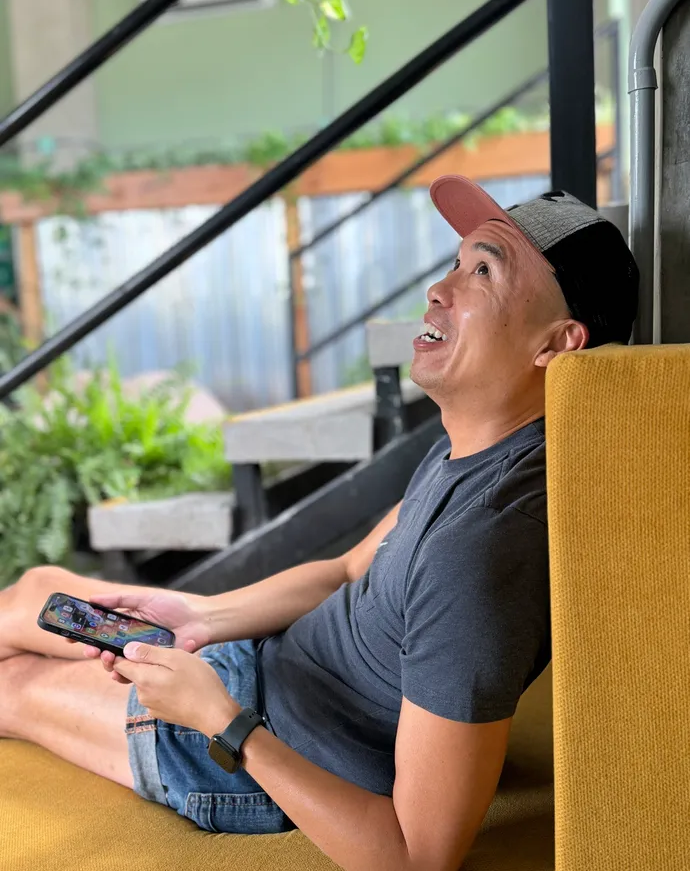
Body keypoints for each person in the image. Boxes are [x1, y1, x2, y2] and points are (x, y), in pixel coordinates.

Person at [0, 175, 638, 871]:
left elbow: (417, 856)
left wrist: (218, 718)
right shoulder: (484, 450)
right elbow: (345, 570)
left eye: (484, 271)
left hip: (248, 753)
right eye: (456, 263)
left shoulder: (480, 549)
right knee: (36, 592)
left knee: (13, 682)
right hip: (263, 673)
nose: (438, 288)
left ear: (557, 343)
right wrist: (200, 616)